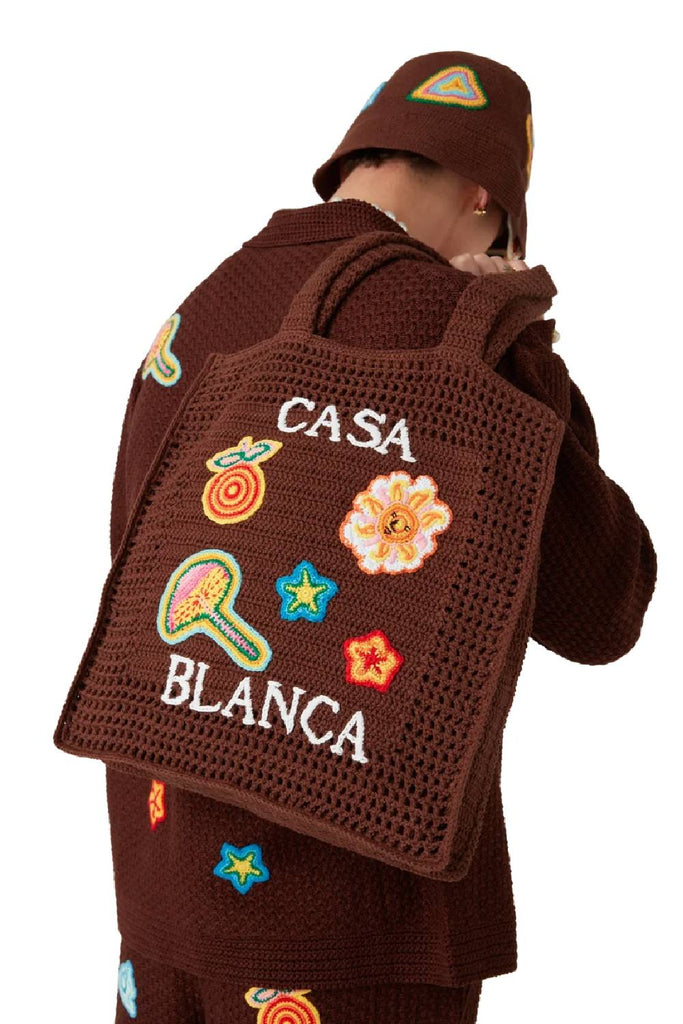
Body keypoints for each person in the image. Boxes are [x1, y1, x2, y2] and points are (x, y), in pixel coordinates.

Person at [106, 52, 657, 1023]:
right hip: (351, 925)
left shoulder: (198, 309)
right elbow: (601, 603)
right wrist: (521, 344)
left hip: (160, 906)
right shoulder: (454, 326)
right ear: (485, 198)